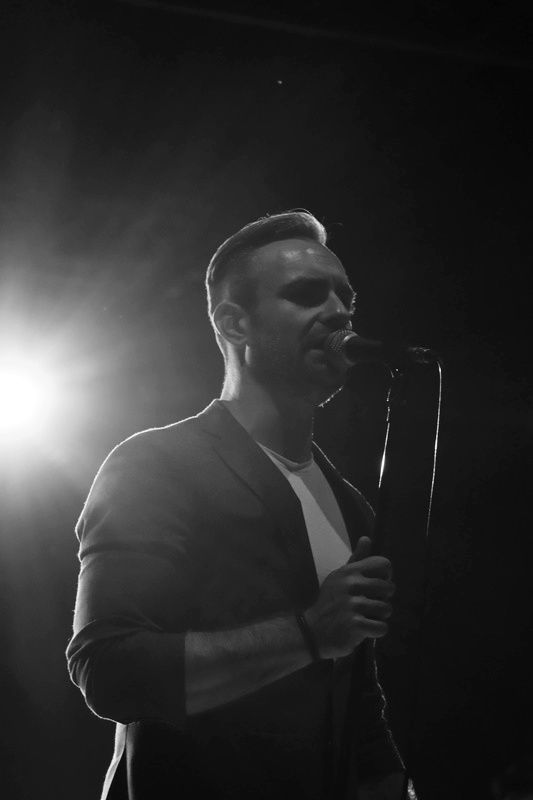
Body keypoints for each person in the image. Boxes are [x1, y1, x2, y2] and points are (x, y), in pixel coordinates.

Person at [67, 210, 416, 800]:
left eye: (345, 298)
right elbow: (109, 671)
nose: (338, 311)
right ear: (235, 323)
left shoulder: (351, 507)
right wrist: (309, 633)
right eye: (306, 294)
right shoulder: (155, 464)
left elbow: (357, 706)